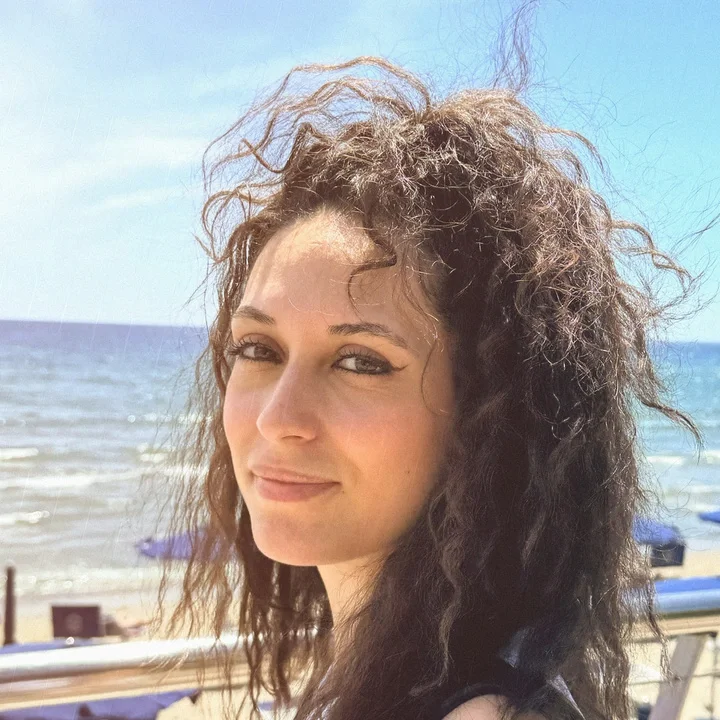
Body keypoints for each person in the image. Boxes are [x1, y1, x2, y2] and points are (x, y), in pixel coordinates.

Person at [152, 15, 702, 720]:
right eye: (259, 349)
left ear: (492, 416)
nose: (276, 417)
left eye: (360, 362)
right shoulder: (385, 667)